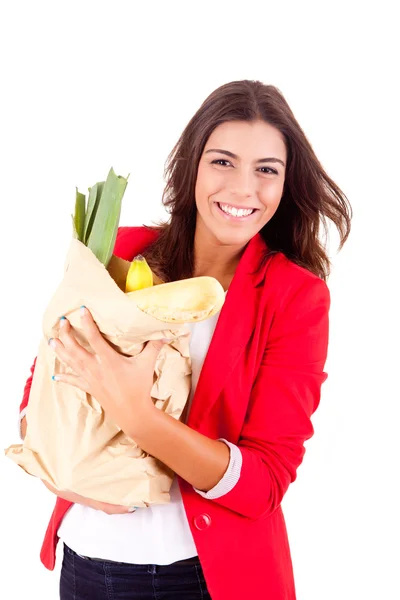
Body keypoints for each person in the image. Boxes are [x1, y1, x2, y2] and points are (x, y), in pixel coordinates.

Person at [19, 79, 352, 600]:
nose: (244, 188)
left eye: (267, 170)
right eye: (223, 162)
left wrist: (137, 415)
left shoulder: (294, 297)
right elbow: (44, 387)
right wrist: (60, 478)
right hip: (85, 561)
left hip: (200, 577)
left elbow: (263, 481)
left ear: (286, 185)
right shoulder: (123, 253)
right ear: (193, 165)